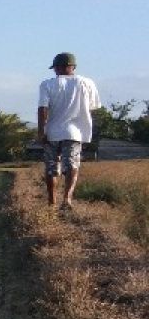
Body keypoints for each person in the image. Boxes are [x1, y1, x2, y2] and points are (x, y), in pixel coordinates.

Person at [37, 52, 100, 209]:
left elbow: (42, 109)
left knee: (51, 168)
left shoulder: (47, 84)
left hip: (52, 132)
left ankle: (52, 202)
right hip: (75, 133)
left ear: (57, 68)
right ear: (73, 67)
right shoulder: (87, 83)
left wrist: (41, 131)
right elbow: (93, 107)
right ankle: (67, 198)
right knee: (72, 166)